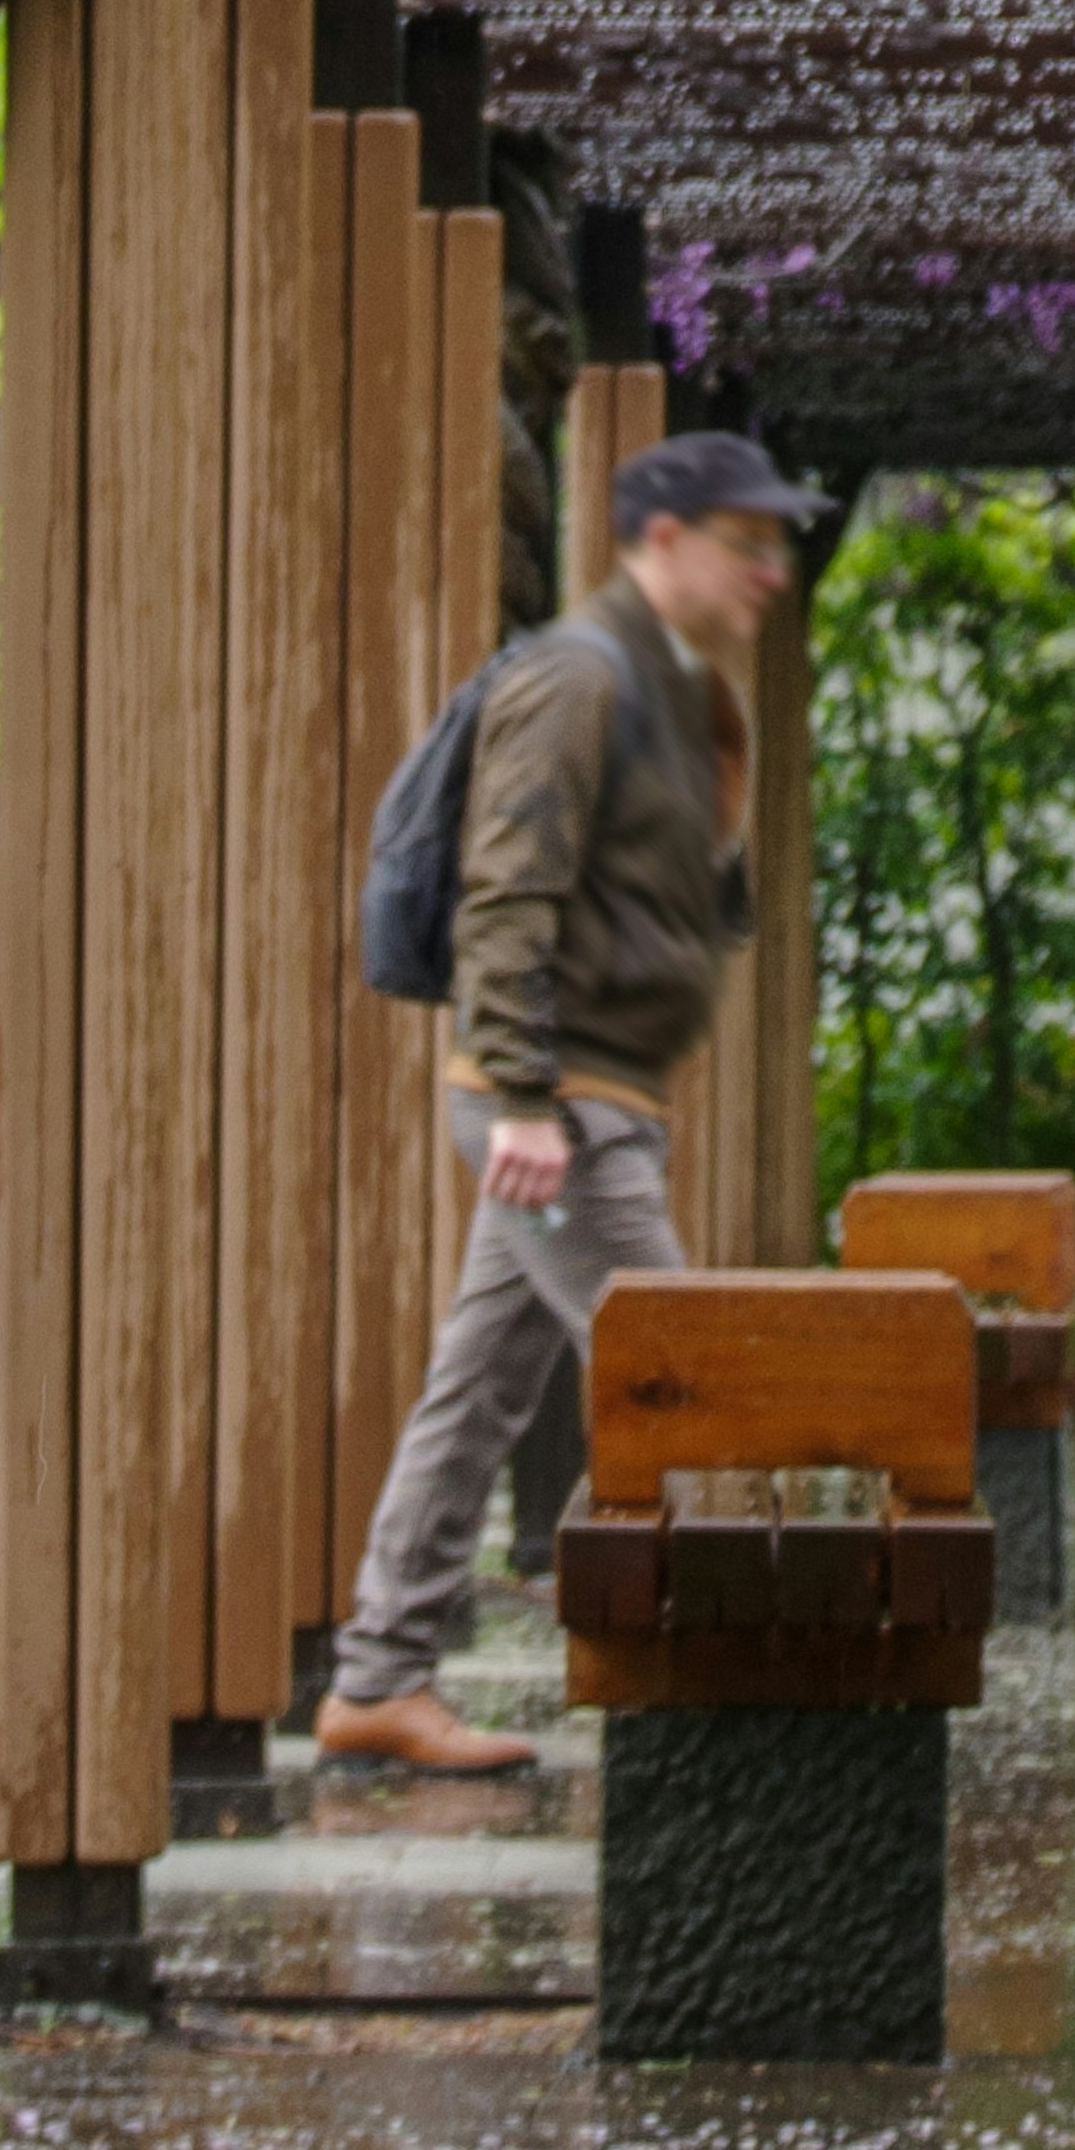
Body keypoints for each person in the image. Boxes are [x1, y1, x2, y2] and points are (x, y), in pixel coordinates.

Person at [313, 428, 827, 1772]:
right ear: (662, 540)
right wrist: (532, 1097)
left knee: (478, 1389)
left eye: (779, 543)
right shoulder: (576, 677)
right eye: (747, 541)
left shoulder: (675, 690)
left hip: (596, 1102)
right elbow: (507, 891)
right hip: (559, 1114)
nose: (773, 568)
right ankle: (725, 1695)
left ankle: (379, 1673)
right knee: (683, 1380)